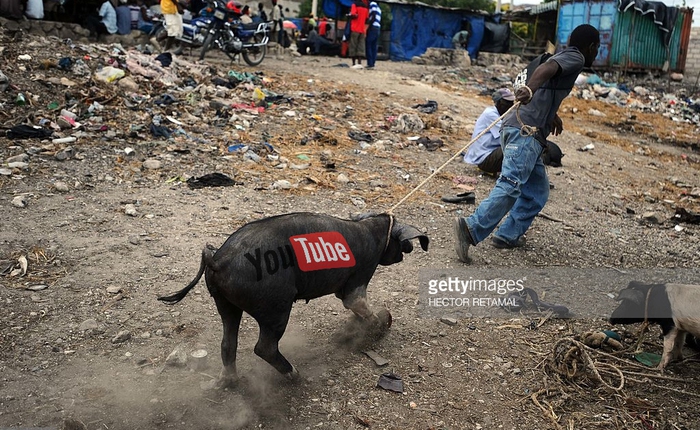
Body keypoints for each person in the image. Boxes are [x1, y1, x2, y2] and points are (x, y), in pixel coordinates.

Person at [454, 24, 600, 260]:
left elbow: (545, 76)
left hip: (523, 130)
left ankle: (507, 235)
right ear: (592, 46)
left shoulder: (560, 55)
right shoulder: (575, 56)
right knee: (511, 184)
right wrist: (529, 90)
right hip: (525, 132)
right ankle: (470, 229)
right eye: (597, 49)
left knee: (537, 191)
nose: (596, 54)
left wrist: (551, 114)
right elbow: (546, 70)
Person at [463, 88, 515, 175]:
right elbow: (506, 137)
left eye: (511, 103)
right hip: (483, 158)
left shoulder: (502, 114)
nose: (510, 105)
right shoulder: (491, 114)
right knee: (516, 146)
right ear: (498, 103)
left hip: (489, 154)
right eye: (507, 103)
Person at [347, 0, 368, 68]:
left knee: (353, 45)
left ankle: (353, 63)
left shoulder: (354, 5)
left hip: (355, 28)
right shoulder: (366, 7)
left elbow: (354, 15)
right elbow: (367, 18)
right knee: (361, 46)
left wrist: (349, 16)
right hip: (362, 29)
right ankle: (359, 63)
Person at [365, 0, 381, 69]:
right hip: (377, 27)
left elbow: (373, 14)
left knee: (368, 44)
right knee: (374, 46)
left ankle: (370, 63)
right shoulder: (379, 8)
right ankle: (372, 63)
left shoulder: (373, 4)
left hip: (373, 27)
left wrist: (369, 26)